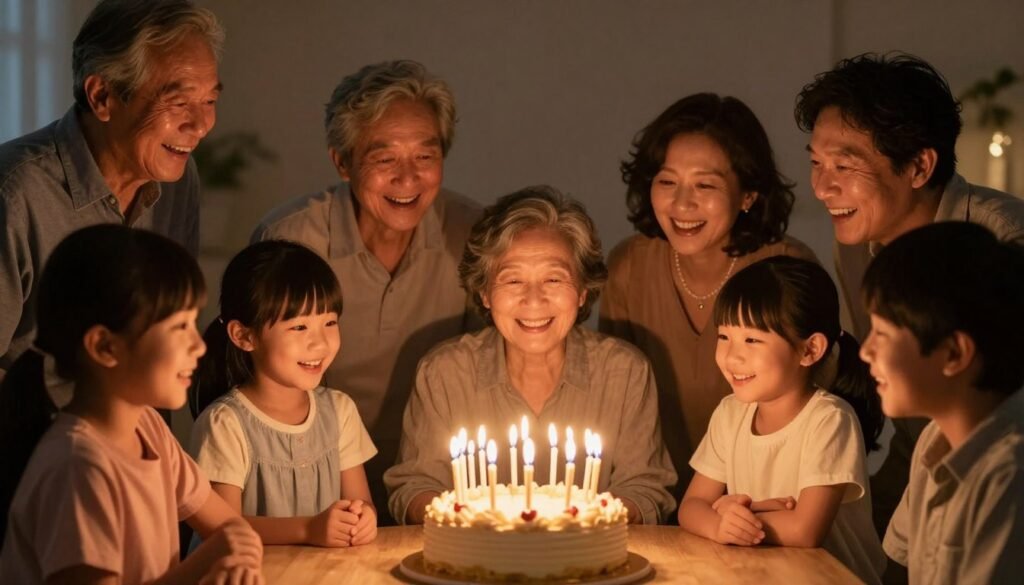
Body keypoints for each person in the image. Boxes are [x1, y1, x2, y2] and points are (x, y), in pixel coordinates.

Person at [795, 52, 1024, 537]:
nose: (821, 186)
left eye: (843, 165)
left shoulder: (1003, 243)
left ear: (919, 166)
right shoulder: (858, 241)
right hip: (922, 464)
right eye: (816, 163)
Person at [252, 60, 480, 521]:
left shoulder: (474, 235)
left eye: (425, 156)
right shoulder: (291, 242)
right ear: (342, 161)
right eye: (384, 158)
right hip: (316, 496)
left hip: (440, 487)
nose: (408, 178)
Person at [385, 186, 677, 525]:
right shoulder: (444, 373)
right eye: (513, 281)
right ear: (484, 292)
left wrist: (590, 524)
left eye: (554, 279)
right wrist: (465, 521)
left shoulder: (625, 372)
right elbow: (414, 485)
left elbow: (646, 487)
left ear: (583, 290)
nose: (534, 300)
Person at [0, 225, 262, 584]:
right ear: (105, 347)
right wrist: (205, 563)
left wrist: (238, 557)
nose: (199, 346)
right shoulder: (77, 469)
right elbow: (222, 542)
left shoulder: (148, 427)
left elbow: (230, 526)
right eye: (179, 327)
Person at [600, 93, 817, 497]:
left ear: (748, 195)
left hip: (763, 509)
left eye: (705, 184)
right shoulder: (629, 266)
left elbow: (818, 413)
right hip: (652, 500)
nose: (682, 203)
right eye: (667, 181)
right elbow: (614, 404)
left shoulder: (787, 269)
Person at [0, 0, 223, 382]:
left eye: (210, 101)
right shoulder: (16, 191)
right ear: (102, 96)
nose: (201, 124)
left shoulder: (179, 181)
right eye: (179, 101)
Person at [677, 256, 885, 584]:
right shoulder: (730, 414)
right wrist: (719, 524)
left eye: (752, 340)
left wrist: (741, 513)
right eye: (724, 337)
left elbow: (805, 530)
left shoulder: (829, 420)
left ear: (810, 350)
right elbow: (691, 507)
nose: (732, 356)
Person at [859, 222, 1024, 585]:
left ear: (953, 352)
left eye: (882, 334)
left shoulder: (1008, 476)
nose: (865, 350)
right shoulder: (933, 441)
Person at [189, 240, 378, 547]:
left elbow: (361, 502)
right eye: (299, 328)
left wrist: (362, 519)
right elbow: (222, 527)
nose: (320, 343)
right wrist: (307, 530)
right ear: (244, 336)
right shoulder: (226, 424)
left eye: (329, 322)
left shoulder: (339, 410)